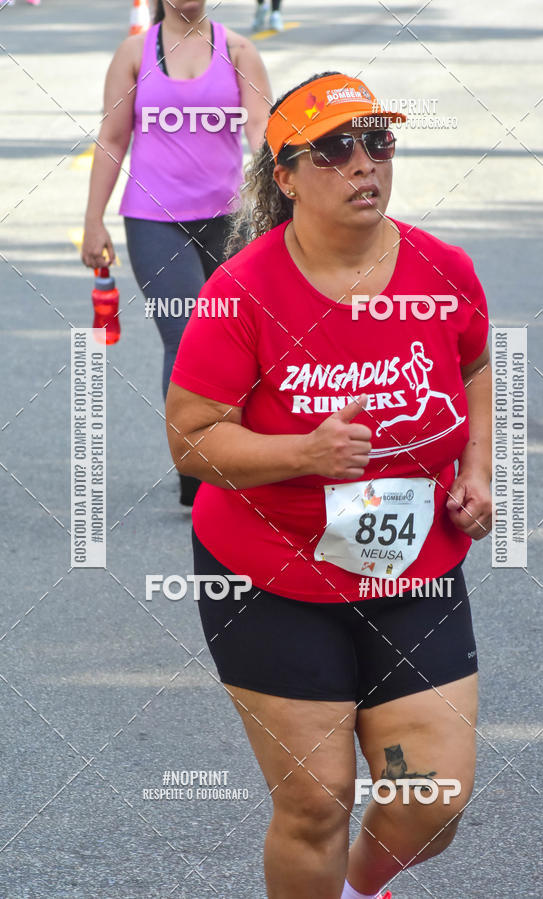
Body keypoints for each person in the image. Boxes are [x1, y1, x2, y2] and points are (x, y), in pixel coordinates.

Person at [167, 71, 492, 898]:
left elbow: (479, 364)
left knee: (433, 797)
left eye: (378, 142)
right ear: (283, 176)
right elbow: (190, 439)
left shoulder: (443, 269)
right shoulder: (240, 291)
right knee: (317, 802)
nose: (363, 165)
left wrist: (479, 470)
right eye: (334, 150)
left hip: (408, 566)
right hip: (270, 573)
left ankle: (355, 887)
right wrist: (304, 454)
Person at [81, 0, 271, 505]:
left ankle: (240, 452)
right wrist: (93, 220)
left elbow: (261, 133)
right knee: (184, 333)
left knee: (239, 339)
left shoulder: (239, 51)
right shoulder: (132, 54)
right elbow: (113, 136)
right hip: (153, 219)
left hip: (230, 222)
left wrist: (284, 198)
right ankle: (195, 465)